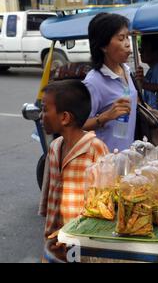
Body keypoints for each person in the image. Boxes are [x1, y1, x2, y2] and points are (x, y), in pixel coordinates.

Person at [38, 79, 109, 240]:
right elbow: (48, 192)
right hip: (54, 237)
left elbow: (103, 205)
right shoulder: (55, 147)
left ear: (64, 117)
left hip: (81, 240)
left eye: (45, 109)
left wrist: (71, 233)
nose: (41, 115)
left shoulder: (95, 149)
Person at [82, 12, 137, 151]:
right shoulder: (93, 82)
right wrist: (106, 116)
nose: (127, 44)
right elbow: (78, 124)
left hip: (126, 155)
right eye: (121, 38)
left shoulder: (126, 71)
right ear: (103, 46)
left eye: (127, 37)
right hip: (105, 161)